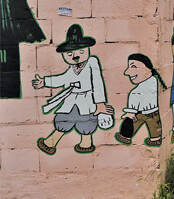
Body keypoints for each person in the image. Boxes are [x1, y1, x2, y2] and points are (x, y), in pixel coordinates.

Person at [33, 24, 114, 154]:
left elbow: (97, 82)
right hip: (71, 99)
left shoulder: (92, 62)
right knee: (63, 119)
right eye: (70, 53)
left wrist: (100, 104)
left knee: (86, 122)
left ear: (87, 50)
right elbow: (63, 78)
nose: (75, 56)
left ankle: (86, 144)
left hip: (87, 100)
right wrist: (45, 82)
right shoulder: (72, 68)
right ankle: (50, 143)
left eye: (81, 52)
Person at [115, 53, 167, 147]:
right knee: (153, 127)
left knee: (151, 127)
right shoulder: (152, 83)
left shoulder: (146, 87)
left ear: (148, 69)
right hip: (146, 113)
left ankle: (126, 136)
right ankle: (127, 136)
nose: (127, 72)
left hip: (149, 113)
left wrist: (130, 114)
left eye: (133, 66)